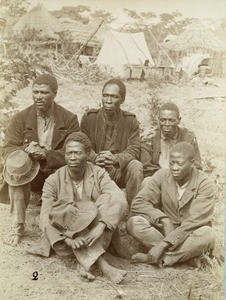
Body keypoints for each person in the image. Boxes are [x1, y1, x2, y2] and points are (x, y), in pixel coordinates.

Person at [28, 132, 127, 283]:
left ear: (87, 154)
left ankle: (85, 262)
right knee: (60, 211)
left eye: (77, 153)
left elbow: (119, 197)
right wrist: (68, 240)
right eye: (69, 153)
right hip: (67, 236)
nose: (72, 157)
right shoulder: (53, 180)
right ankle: (102, 265)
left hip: (96, 234)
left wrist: (101, 225)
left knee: (107, 198)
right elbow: (45, 216)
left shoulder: (98, 173)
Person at [1, 74, 80, 245]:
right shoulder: (20, 119)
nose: (38, 96)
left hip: (56, 174)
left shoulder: (70, 119)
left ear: (55, 94)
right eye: (35, 92)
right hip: (30, 174)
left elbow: (75, 151)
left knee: (74, 167)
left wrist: (46, 155)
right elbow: (7, 150)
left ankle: (64, 225)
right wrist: (26, 151)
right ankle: (17, 226)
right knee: (16, 168)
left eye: (44, 92)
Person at [127, 142, 215, 267]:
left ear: (192, 163)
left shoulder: (205, 183)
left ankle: (160, 258)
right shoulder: (162, 175)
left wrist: (162, 245)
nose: (174, 167)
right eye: (171, 162)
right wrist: (164, 219)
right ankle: (187, 258)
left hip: (189, 233)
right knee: (134, 222)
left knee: (207, 234)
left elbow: (194, 221)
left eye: (179, 163)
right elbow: (138, 203)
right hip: (164, 231)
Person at [80, 78, 143, 206]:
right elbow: (83, 145)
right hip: (95, 169)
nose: (108, 101)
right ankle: (84, 208)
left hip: (119, 171)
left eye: (114, 97)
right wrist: (95, 157)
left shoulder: (130, 120)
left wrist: (115, 158)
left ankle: (134, 211)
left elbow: (134, 148)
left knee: (136, 166)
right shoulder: (90, 117)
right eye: (105, 95)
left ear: (122, 100)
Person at [140, 102, 202, 177]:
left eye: (171, 120)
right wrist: (165, 179)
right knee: (147, 182)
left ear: (179, 120)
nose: (166, 124)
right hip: (157, 178)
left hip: (181, 178)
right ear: (158, 120)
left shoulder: (188, 137)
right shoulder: (149, 136)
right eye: (163, 120)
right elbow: (147, 167)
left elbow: (196, 166)